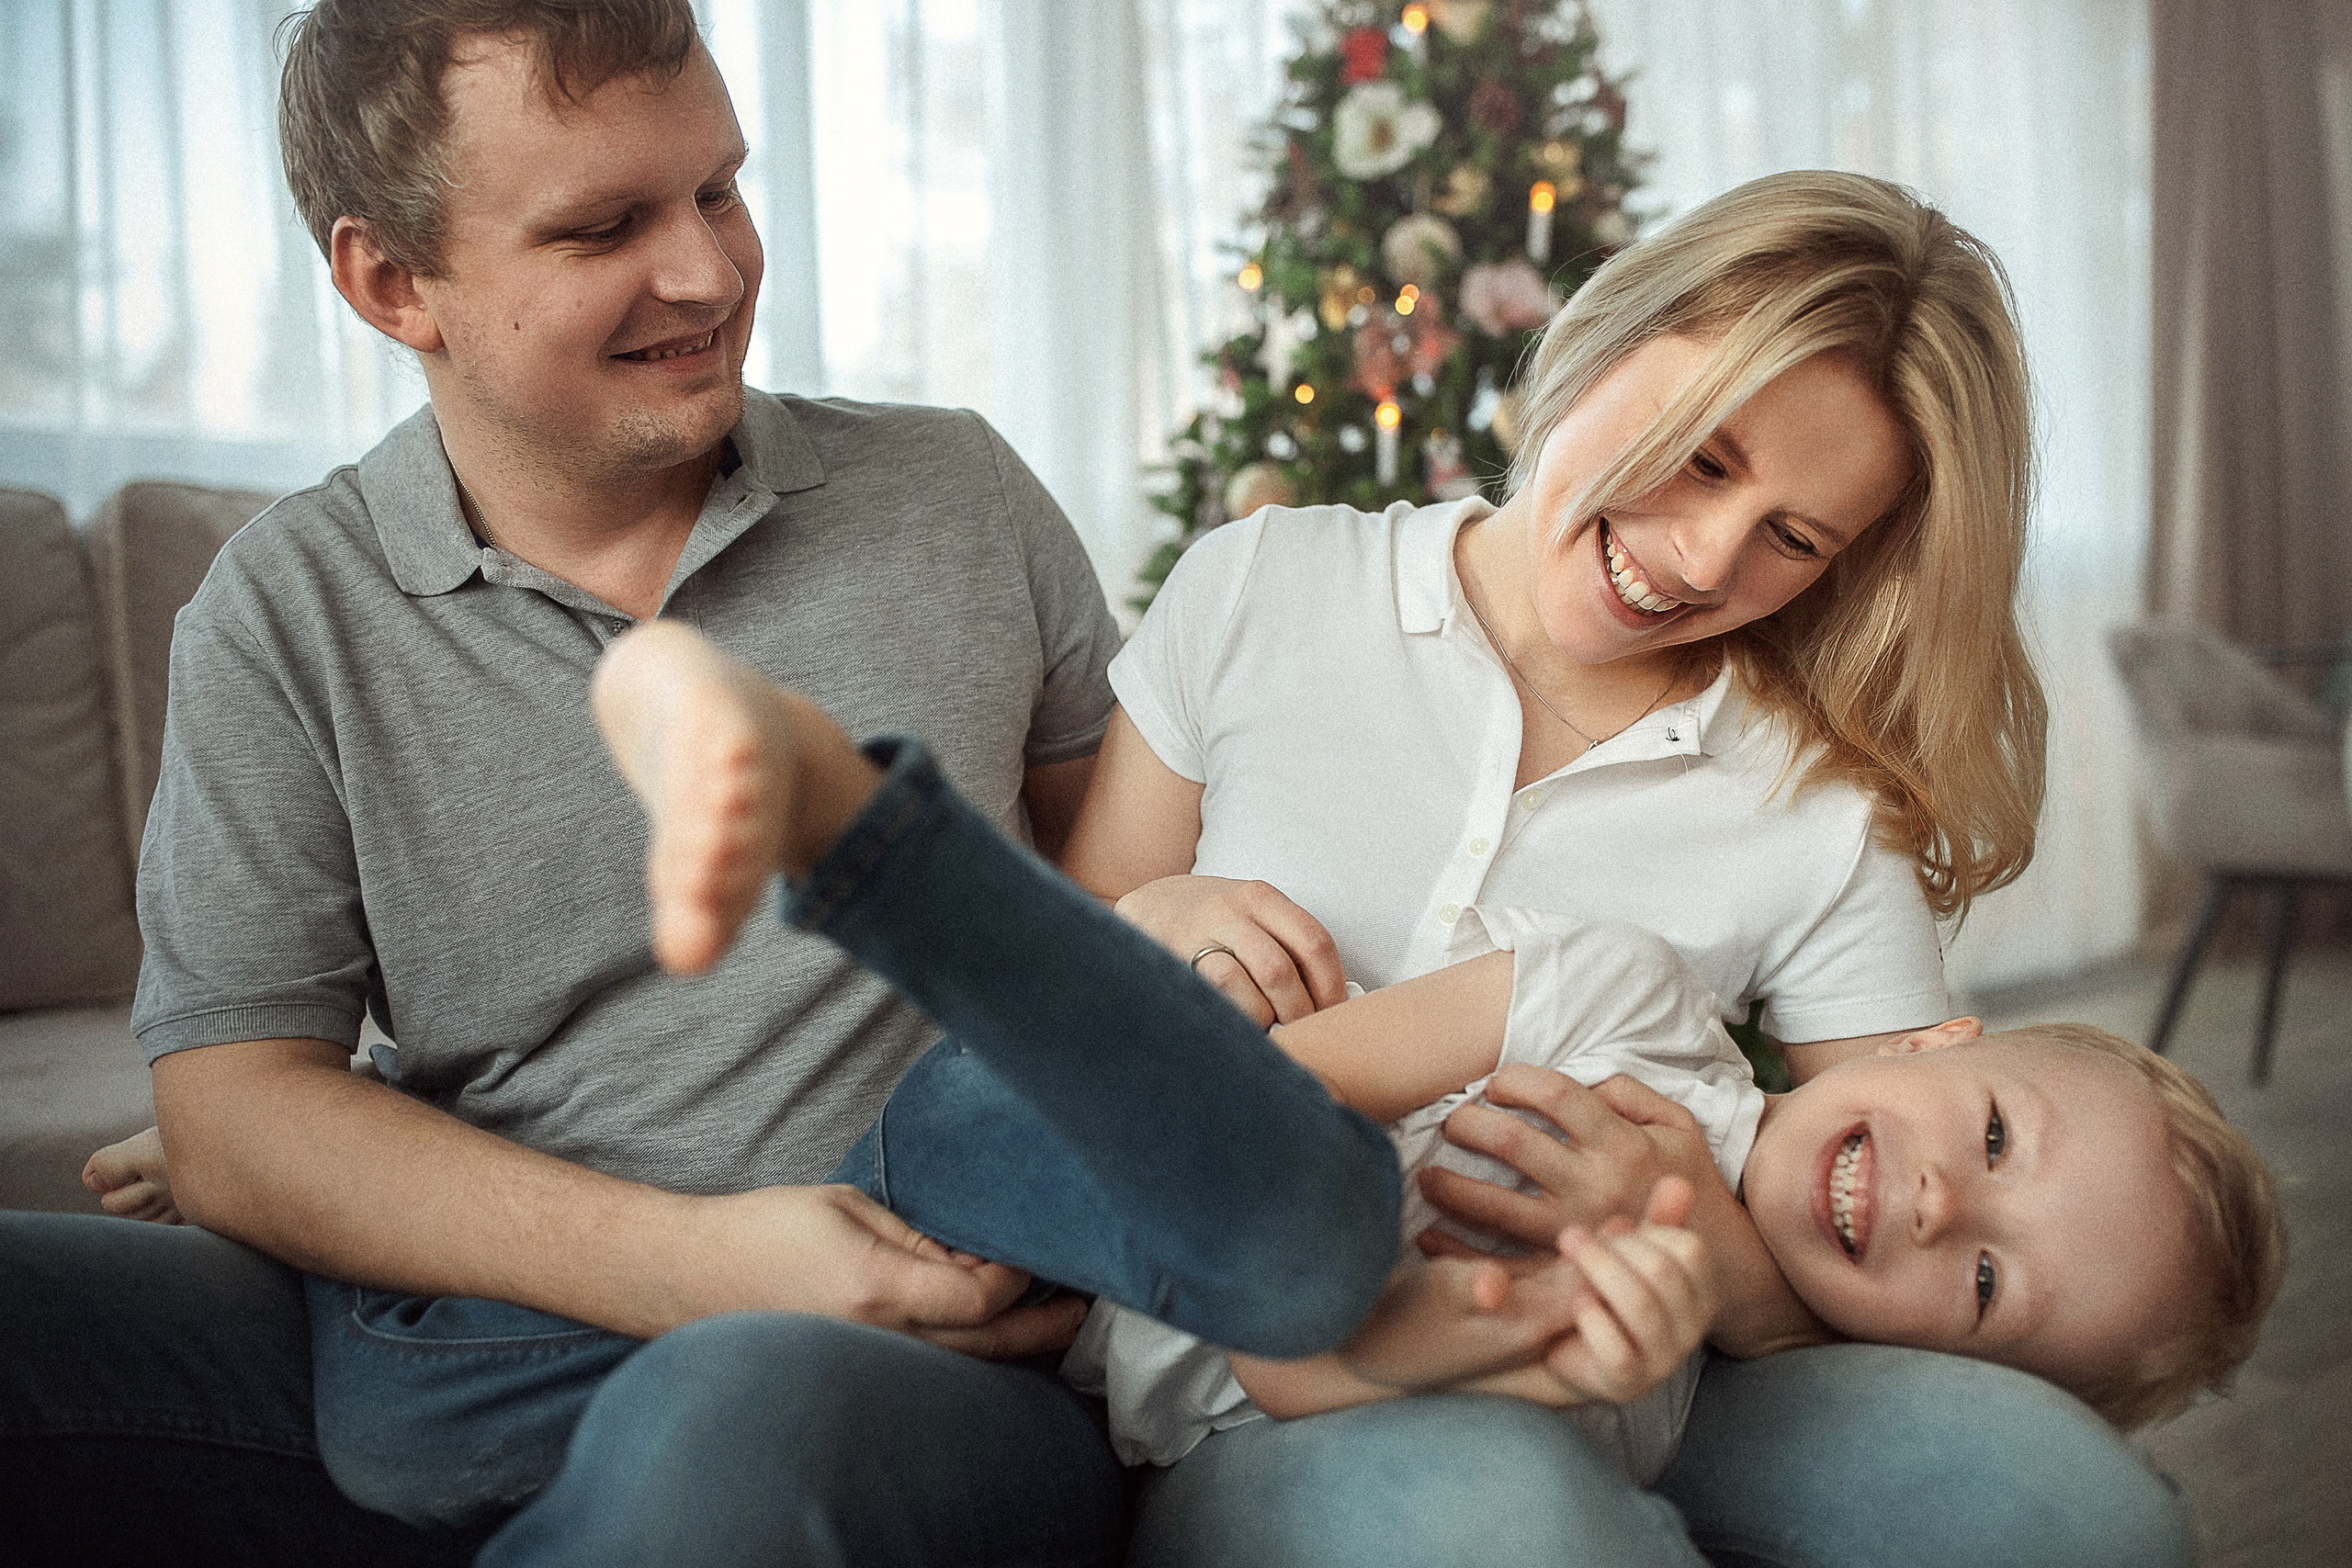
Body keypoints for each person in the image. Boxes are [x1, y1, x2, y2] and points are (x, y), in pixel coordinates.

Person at [0, 3, 1266, 1562]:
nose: (713, 273)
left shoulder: (955, 494)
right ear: (392, 284)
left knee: (735, 1430)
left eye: (719, 190)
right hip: (465, 1342)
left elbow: (1115, 904)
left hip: (904, 1358)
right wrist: (697, 1261)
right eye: (606, 226)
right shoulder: (283, 609)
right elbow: (237, 1111)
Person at [1037, 168, 2204, 1567]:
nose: (1706, 555)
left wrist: (1691, 1247)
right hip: (1255, 1376)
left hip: (1616, 1378)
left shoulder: (1822, 802)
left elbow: (1895, 1215)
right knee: (1501, 1514)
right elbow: (1053, 990)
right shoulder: (1263, 585)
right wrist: (1160, 919)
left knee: (2078, 1520)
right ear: (1607, 332)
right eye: (1707, 455)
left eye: (1795, 538)